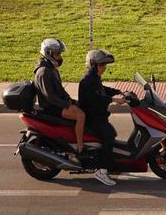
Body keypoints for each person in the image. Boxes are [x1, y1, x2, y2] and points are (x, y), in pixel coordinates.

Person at [33, 38, 86, 156]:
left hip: (58, 104)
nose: (60, 57)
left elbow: (60, 90)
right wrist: (67, 105)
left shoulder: (51, 69)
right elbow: (50, 97)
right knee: (80, 115)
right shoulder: (44, 72)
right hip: (51, 107)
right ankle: (80, 147)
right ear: (49, 54)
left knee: (83, 108)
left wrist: (72, 101)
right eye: (57, 54)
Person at [78, 49, 121, 186]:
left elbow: (102, 89)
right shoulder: (87, 80)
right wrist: (113, 99)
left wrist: (118, 91)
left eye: (104, 65)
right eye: (101, 65)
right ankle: (101, 171)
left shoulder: (93, 78)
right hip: (93, 118)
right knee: (109, 136)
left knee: (111, 133)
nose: (104, 67)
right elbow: (96, 99)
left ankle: (107, 163)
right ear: (93, 65)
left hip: (98, 116)